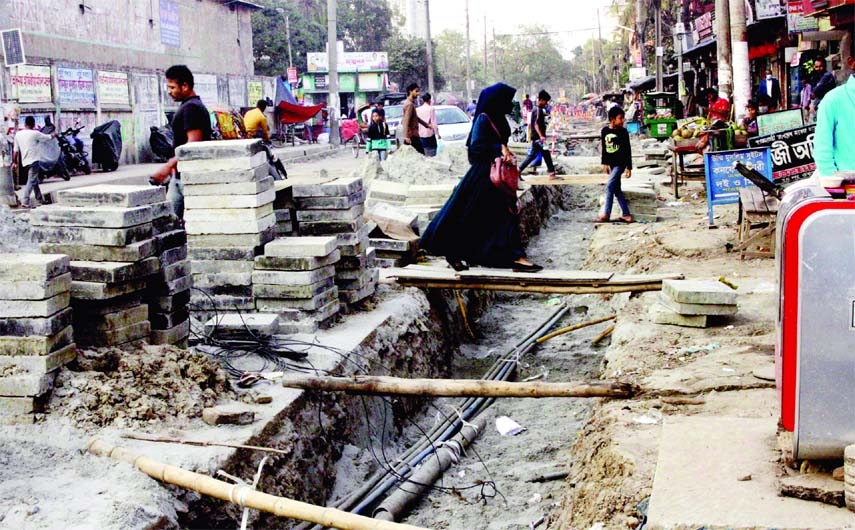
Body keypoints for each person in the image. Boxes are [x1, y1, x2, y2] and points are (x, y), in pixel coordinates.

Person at [420, 82, 543, 273]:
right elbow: (476, 148)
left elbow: (499, 141)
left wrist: (505, 149)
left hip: (496, 176)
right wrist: (497, 148)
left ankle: (515, 257)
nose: (510, 104)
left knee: (499, 217)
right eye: (507, 100)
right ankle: (458, 253)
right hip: (484, 176)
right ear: (497, 101)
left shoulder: (498, 118)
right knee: (469, 215)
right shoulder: (484, 120)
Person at [151, 65, 212, 219]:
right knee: (168, 222)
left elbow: (192, 146)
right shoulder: (189, 106)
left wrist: (166, 167)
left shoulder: (191, 108)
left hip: (189, 179)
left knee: (181, 222)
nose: (169, 92)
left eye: (172, 87)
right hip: (179, 177)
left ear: (185, 86)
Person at [813, 54, 855, 177]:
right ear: (852, 63)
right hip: (848, 187)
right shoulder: (834, 100)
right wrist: (835, 183)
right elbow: (822, 149)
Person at [595, 106, 633, 224]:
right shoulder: (605, 131)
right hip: (611, 164)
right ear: (612, 119)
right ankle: (626, 215)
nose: (622, 121)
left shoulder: (623, 132)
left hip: (620, 164)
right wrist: (605, 164)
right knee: (616, 189)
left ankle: (606, 213)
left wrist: (629, 167)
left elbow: (628, 150)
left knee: (609, 186)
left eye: (623, 119)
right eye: (620, 118)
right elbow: (605, 150)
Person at [11, 116, 54, 208]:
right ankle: (25, 200)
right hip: (34, 160)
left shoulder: (18, 134)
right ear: (33, 124)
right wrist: (55, 135)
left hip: (24, 162)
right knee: (31, 180)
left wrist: (14, 162)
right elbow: (48, 137)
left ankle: (39, 199)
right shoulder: (35, 133)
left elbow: (15, 151)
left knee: (34, 180)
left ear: (25, 123)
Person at [518, 90, 560, 180]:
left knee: (534, 155)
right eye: (545, 101)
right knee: (545, 154)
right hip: (538, 138)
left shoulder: (537, 109)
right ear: (541, 100)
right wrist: (541, 136)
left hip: (536, 137)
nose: (546, 103)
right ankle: (552, 173)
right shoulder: (537, 110)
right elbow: (536, 124)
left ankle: (518, 170)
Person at [401, 82, 431, 155]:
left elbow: (415, 118)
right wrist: (406, 136)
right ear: (410, 91)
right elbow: (406, 121)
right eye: (416, 91)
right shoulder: (409, 105)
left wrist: (426, 125)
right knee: (421, 155)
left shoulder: (409, 103)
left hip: (412, 134)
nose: (418, 93)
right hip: (412, 135)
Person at [417, 92, 440, 157]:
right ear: (429, 99)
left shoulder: (418, 109)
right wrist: (437, 134)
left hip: (421, 135)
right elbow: (433, 123)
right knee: (432, 154)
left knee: (424, 154)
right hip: (430, 135)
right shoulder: (431, 109)